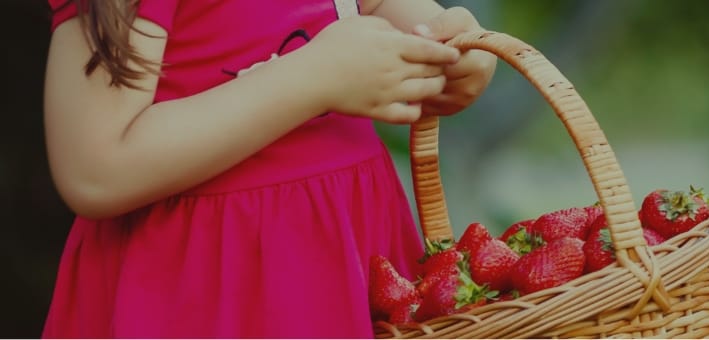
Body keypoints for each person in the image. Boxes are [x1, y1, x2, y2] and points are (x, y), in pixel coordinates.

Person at [42, 0, 496, 337]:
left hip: (351, 257)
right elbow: (96, 166)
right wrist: (315, 77)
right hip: (207, 288)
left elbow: (384, 12)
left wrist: (454, 51)